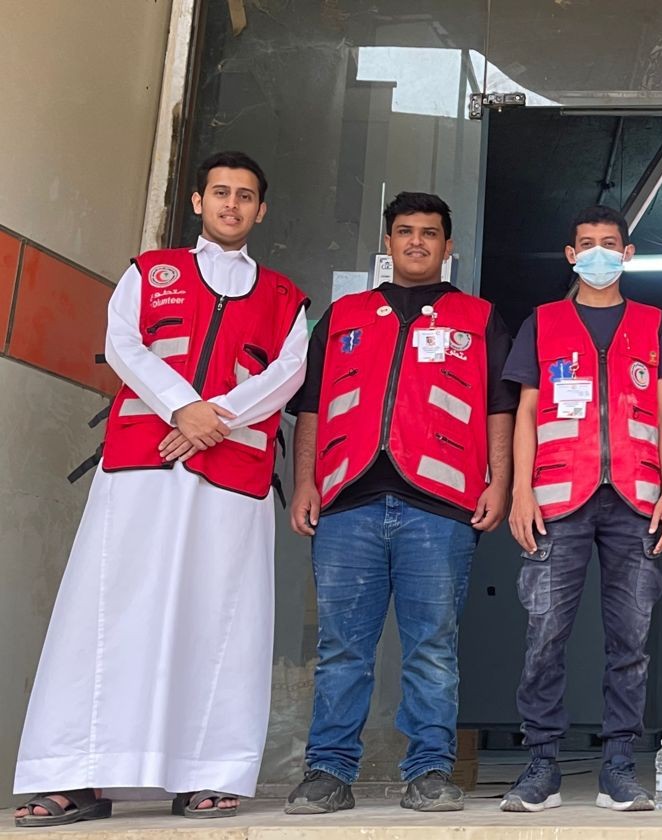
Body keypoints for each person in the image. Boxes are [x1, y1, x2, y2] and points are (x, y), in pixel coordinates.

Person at [13, 152, 309, 826]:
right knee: (105, 612)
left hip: (231, 476)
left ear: (261, 210)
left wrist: (212, 420)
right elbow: (124, 346)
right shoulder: (150, 273)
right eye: (221, 192)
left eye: (245, 196)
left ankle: (208, 773)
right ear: (199, 202)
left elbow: (287, 375)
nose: (232, 204)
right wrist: (182, 408)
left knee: (221, 618)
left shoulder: (284, 297)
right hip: (141, 469)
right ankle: (75, 775)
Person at [283, 192, 516, 814]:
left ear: (448, 246)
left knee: (432, 648)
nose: (417, 241)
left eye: (430, 233)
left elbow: (500, 407)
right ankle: (328, 773)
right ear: (388, 243)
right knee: (341, 650)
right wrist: (305, 481)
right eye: (405, 231)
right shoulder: (344, 314)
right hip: (347, 503)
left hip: (439, 507)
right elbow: (311, 406)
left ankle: (430, 772)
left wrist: (499, 480)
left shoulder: (478, 318)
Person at [497, 205, 662, 813]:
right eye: (587, 243)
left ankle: (619, 768)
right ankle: (542, 765)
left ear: (627, 254)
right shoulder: (543, 322)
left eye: (610, 243)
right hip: (557, 499)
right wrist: (520, 491)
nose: (598, 252)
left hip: (636, 500)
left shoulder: (653, 323)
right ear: (571, 255)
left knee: (631, 641)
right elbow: (527, 412)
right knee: (544, 635)